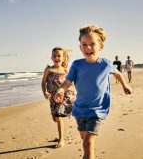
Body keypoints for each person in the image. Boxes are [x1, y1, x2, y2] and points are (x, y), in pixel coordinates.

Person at [55, 25, 132, 159]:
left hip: (97, 110)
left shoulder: (106, 64)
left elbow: (118, 73)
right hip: (79, 110)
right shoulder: (77, 65)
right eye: (84, 44)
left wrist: (125, 85)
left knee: (88, 143)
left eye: (92, 44)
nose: (88, 48)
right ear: (80, 47)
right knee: (85, 141)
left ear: (101, 46)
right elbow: (67, 82)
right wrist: (61, 90)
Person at [41, 47, 76, 148]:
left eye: (58, 56)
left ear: (63, 58)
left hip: (64, 96)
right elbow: (43, 83)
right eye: (54, 56)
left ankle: (61, 140)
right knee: (55, 118)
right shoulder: (49, 69)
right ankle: (60, 134)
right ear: (51, 58)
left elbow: (70, 82)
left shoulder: (65, 70)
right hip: (53, 97)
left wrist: (74, 93)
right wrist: (45, 93)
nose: (56, 58)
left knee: (58, 116)